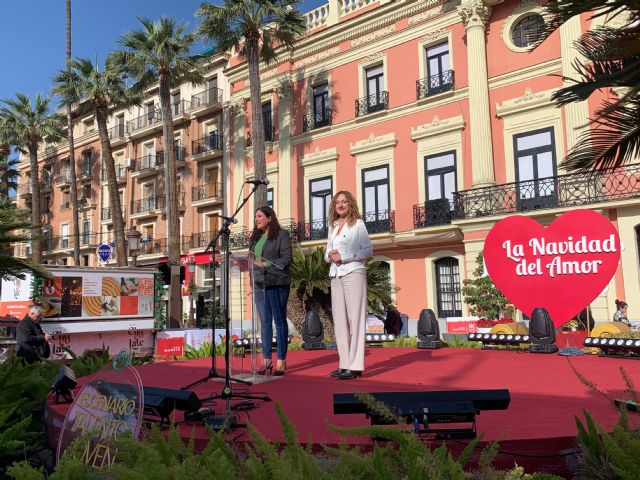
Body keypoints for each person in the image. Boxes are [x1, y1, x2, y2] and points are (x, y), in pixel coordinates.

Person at [325, 191, 372, 380]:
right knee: (340, 322)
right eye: (337, 202)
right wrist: (329, 255)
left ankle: (356, 365)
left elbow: (367, 251)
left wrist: (344, 257)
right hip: (335, 274)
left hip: (353, 272)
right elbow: (327, 250)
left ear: (350, 204)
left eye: (344, 202)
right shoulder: (333, 226)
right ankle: (344, 364)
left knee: (355, 319)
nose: (341, 205)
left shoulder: (358, 225)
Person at [249, 206, 292, 376]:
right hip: (259, 284)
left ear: (269, 218)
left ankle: (281, 360)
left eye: (259, 216)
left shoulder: (281, 235)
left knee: (279, 321)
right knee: (265, 322)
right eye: (255, 217)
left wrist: (265, 264)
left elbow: (287, 259)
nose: (256, 219)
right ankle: (266, 360)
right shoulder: (255, 238)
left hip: (277, 283)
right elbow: (251, 259)